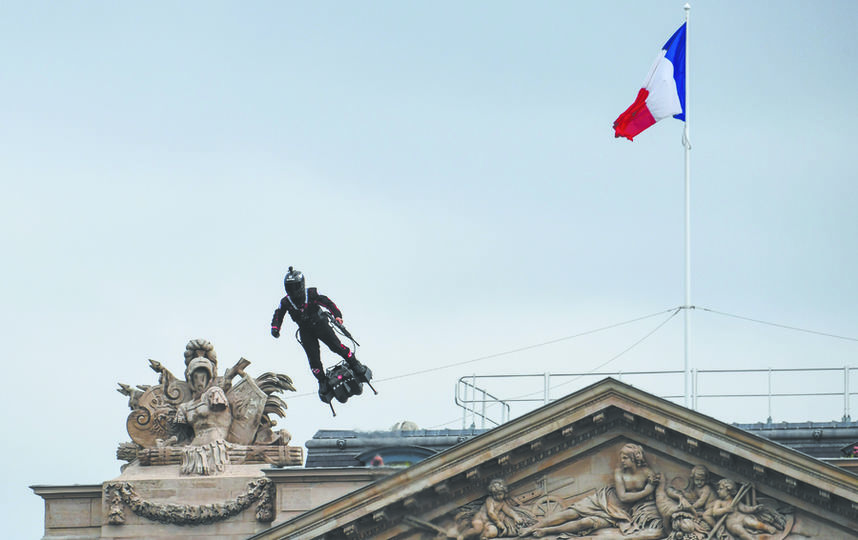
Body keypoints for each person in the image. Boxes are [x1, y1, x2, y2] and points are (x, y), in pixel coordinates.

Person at [521, 443, 663, 539]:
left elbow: (651, 495)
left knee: (585, 523)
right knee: (569, 513)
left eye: (625, 458)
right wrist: (647, 490)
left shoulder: (647, 473)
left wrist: (651, 488)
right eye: (621, 457)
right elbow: (623, 496)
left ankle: (546, 531)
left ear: (634, 458)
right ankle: (532, 527)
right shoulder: (619, 471)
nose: (622, 461)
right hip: (603, 500)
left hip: (618, 514)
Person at [270, 267, 367, 397]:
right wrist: (275, 328)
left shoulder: (312, 293)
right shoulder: (285, 302)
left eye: (296, 286)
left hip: (320, 325)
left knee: (336, 347)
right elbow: (278, 315)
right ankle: (322, 381)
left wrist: (337, 315)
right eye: (290, 287)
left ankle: (354, 363)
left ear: (302, 284)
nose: (293, 290)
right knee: (314, 359)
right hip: (305, 332)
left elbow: (327, 302)